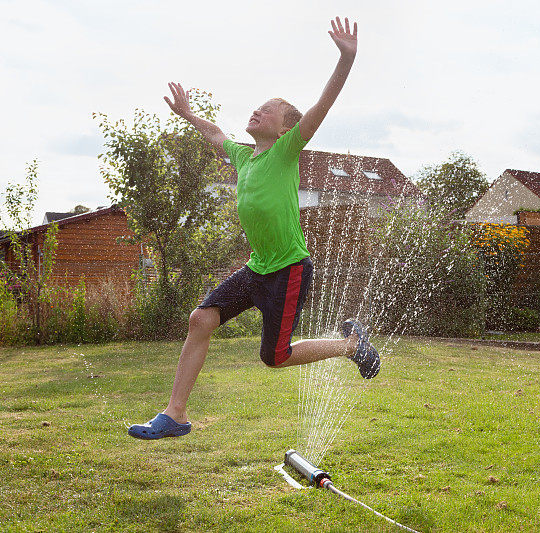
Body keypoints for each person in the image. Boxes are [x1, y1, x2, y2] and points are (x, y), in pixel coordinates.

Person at [128, 17, 379, 440]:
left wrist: (346, 59)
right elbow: (214, 134)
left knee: (275, 357)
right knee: (201, 319)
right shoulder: (244, 157)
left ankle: (351, 346)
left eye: (268, 109)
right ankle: (175, 414)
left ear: (284, 127)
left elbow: (321, 107)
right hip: (257, 267)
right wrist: (188, 113)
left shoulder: (286, 150)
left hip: (288, 269)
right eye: (257, 106)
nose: (257, 110)